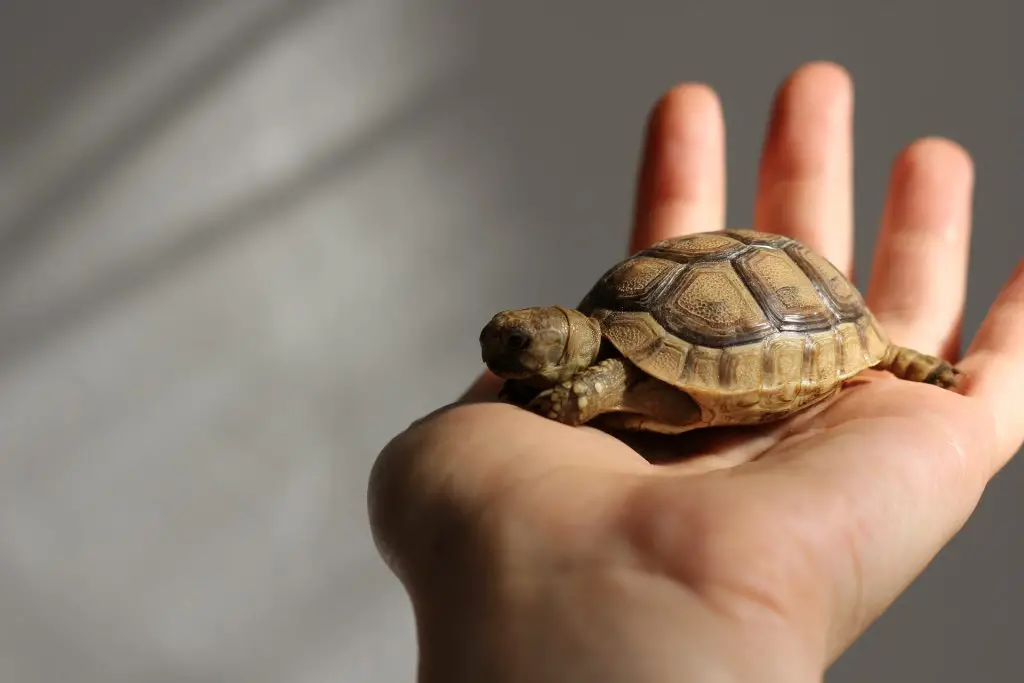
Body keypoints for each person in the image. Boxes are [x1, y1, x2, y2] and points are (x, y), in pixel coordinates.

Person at [366, 61, 1024, 682]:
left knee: (878, 353)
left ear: (559, 343)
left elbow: (599, 386)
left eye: (519, 342)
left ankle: (901, 356)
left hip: (792, 303)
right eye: (505, 341)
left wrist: (562, 402)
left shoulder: (601, 375)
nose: (503, 351)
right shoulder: (608, 323)